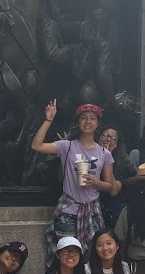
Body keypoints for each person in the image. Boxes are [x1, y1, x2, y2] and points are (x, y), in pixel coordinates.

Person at [31, 100, 121, 263]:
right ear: (78, 122)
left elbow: (110, 186)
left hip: (92, 212)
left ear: (97, 124)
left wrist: (96, 182)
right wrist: (49, 119)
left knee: (93, 258)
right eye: (83, 118)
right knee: (68, 258)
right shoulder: (67, 146)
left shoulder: (104, 153)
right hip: (68, 212)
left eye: (92, 118)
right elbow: (37, 146)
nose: (88, 121)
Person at [97, 126, 135, 229]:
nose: (108, 139)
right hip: (91, 209)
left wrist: (107, 156)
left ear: (117, 145)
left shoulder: (123, 165)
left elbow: (113, 191)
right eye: (105, 135)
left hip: (112, 214)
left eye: (113, 138)